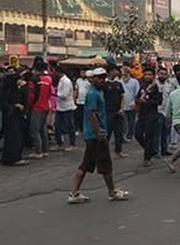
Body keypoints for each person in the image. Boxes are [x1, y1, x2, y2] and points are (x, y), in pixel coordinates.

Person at [67, 67, 129, 204]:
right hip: (96, 134)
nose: (101, 80)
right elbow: (91, 114)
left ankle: (74, 193)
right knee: (105, 164)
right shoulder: (93, 94)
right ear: (93, 78)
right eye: (98, 77)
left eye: (103, 77)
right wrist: (98, 133)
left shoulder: (98, 92)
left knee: (86, 164)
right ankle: (112, 191)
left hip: (94, 134)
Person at [0, 73, 29, 166]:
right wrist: (14, 106)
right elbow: (4, 104)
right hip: (11, 116)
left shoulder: (17, 90)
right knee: (14, 138)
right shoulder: (7, 91)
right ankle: (14, 158)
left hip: (16, 116)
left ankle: (10, 157)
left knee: (16, 137)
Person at [135, 67, 162, 167]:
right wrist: (138, 101)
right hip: (142, 114)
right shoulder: (142, 86)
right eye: (146, 74)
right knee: (137, 134)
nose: (147, 77)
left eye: (149, 75)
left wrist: (147, 102)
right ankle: (151, 150)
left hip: (151, 115)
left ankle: (147, 158)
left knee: (149, 137)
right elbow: (137, 98)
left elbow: (159, 101)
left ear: (153, 76)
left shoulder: (156, 87)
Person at [28, 62, 52, 159]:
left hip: (36, 107)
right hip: (45, 105)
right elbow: (49, 93)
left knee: (35, 130)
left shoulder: (33, 80)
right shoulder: (48, 79)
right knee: (43, 129)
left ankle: (38, 151)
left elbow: (31, 95)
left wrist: (28, 106)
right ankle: (45, 150)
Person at [105, 66, 127, 159]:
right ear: (110, 72)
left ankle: (118, 151)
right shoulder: (104, 84)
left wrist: (122, 108)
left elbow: (122, 97)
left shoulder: (118, 84)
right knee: (107, 134)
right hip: (108, 112)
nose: (116, 72)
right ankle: (104, 152)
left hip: (118, 112)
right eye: (114, 71)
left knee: (119, 133)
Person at [54, 67, 77, 150]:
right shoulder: (61, 80)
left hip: (67, 106)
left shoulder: (66, 81)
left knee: (70, 125)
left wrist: (56, 93)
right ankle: (59, 143)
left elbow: (64, 95)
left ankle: (72, 143)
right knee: (58, 126)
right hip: (60, 106)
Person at [155, 67, 176, 156]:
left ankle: (164, 149)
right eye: (161, 74)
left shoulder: (170, 84)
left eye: (164, 74)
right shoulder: (154, 84)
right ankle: (156, 151)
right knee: (157, 132)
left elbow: (172, 97)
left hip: (167, 111)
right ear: (158, 74)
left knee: (166, 132)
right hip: (157, 111)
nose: (162, 75)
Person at [120, 66, 140, 142]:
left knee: (132, 121)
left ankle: (131, 135)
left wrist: (135, 102)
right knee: (124, 122)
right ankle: (124, 136)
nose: (124, 76)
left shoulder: (134, 82)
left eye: (126, 74)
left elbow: (137, 93)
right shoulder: (119, 82)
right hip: (123, 105)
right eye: (123, 74)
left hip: (132, 104)